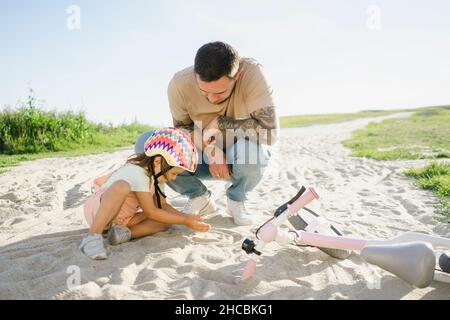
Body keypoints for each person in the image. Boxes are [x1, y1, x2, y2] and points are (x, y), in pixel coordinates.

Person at [136, 41, 279, 226]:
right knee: (146, 144)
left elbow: (271, 134)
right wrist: (211, 151)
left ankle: (236, 200)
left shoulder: (252, 73)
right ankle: (199, 197)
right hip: (200, 158)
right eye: (204, 92)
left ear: (238, 75)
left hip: (240, 159)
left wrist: (222, 123)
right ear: (195, 75)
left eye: (220, 92)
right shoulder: (179, 84)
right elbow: (180, 131)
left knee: (250, 151)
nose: (212, 99)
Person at [79, 127, 211, 260]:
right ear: (158, 161)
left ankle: (124, 234)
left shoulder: (156, 176)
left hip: (122, 219)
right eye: (174, 173)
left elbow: (162, 206)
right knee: (121, 186)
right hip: (100, 212)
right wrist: (184, 220)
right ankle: (92, 237)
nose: (174, 178)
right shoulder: (136, 172)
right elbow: (150, 212)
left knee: (165, 221)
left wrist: (187, 218)